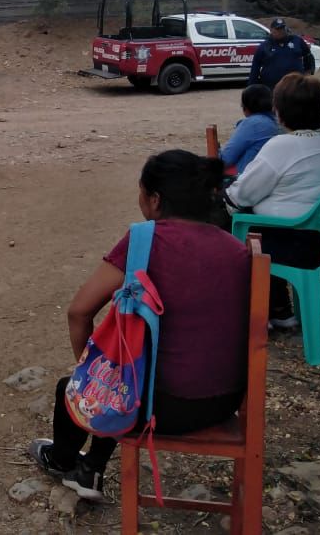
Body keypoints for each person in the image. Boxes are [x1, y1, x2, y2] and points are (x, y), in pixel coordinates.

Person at [28, 150, 251, 502]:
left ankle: (61, 459)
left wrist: (90, 375)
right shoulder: (237, 250)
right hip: (225, 401)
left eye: (141, 192)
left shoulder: (146, 240)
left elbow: (79, 311)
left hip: (162, 409)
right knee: (131, 371)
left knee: (99, 383)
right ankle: (90, 469)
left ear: (155, 199)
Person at [225, 73, 320, 326]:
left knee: (232, 223)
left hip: (296, 246)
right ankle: (279, 309)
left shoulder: (282, 145)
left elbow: (241, 195)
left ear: (279, 110)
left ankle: (253, 313)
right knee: (264, 226)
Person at [218, 84, 280, 175]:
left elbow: (225, 159)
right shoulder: (277, 121)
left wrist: (217, 150)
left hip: (248, 176)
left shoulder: (253, 123)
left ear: (245, 107)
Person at [247, 17, 315, 91]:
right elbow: (255, 68)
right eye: (278, 29)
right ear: (271, 30)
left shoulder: (297, 40)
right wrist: (252, 88)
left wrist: (308, 73)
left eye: (282, 28)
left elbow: (308, 55)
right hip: (272, 88)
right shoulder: (264, 46)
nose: (281, 31)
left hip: (295, 87)